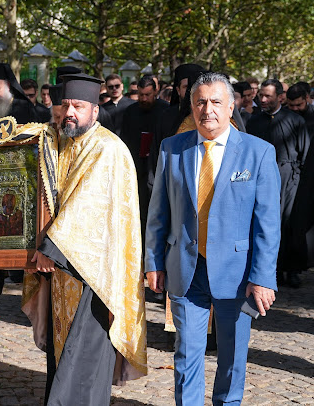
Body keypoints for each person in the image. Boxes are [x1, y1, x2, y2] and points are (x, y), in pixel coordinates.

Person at [145, 72, 280, 405]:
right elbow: (158, 213)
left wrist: (262, 278)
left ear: (231, 107)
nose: (208, 109)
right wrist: (153, 261)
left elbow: (268, 224)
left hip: (238, 275)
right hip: (186, 271)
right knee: (186, 356)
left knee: (232, 360)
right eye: (200, 102)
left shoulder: (258, 153)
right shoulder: (171, 149)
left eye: (216, 102)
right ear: (191, 107)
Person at [30, 74, 147, 404]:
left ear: (94, 110)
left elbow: (87, 204)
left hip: (94, 275)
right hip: (62, 267)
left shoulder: (107, 148)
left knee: (82, 358)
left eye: (78, 106)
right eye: (65, 106)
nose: (70, 113)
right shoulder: (62, 145)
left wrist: (48, 249)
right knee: (62, 353)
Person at [246, 79, 309, 288]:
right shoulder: (254, 121)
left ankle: (290, 269)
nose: (262, 100)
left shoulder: (294, 120)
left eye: (268, 96)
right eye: (261, 96)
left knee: (289, 225)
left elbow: (304, 153)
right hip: (259, 178)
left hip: (288, 178)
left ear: (280, 97)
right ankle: (269, 270)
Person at [120, 75, 168, 241]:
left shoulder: (165, 111)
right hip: (135, 171)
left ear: (156, 92)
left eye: (148, 95)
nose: (144, 99)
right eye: (141, 95)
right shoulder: (130, 112)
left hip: (157, 170)